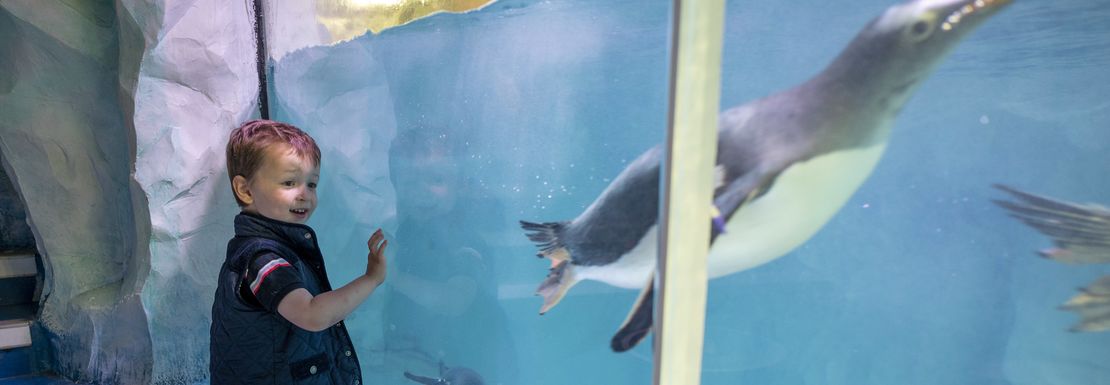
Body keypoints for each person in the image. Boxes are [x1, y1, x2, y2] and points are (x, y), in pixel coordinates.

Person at [210, 119, 387, 385]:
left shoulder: (277, 250)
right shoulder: (262, 259)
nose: (304, 194)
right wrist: (371, 279)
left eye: (312, 184)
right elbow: (312, 315)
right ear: (245, 190)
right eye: (289, 182)